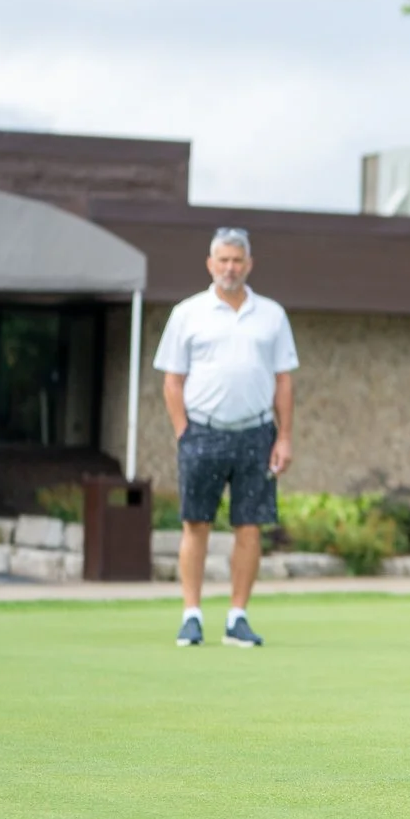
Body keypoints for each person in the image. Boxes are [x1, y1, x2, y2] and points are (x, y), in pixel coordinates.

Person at [153, 228, 298, 648]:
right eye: (223, 260)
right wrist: (184, 433)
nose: (230, 268)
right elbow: (172, 381)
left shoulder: (272, 315)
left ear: (249, 264)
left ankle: (237, 618)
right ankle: (191, 615)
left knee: (249, 526)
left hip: (256, 433)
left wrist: (284, 437)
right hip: (202, 432)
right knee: (195, 522)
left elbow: (283, 381)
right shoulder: (187, 313)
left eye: (237, 260)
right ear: (210, 264)